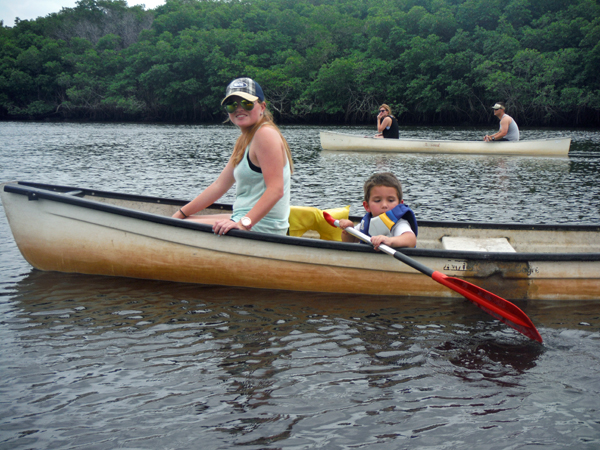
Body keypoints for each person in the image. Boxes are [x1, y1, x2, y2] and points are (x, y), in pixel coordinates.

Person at [172, 77, 293, 236]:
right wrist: (180, 214)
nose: (239, 108)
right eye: (232, 105)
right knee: (180, 221)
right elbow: (219, 186)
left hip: (262, 227)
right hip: (244, 218)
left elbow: (276, 190)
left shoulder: (265, 134)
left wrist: (243, 224)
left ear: (262, 107)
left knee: (178, 227)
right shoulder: (245, 140)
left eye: (247, 103)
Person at [337, 172, 417, 249]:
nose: (384, 205)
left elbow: (410, 239)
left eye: (391, 200)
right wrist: (348, 231)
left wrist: (389, 241)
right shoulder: (366, 223)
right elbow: (350, 242)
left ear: (400, 204)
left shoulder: (399, 223)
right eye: (377, 201)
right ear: (367, 206)